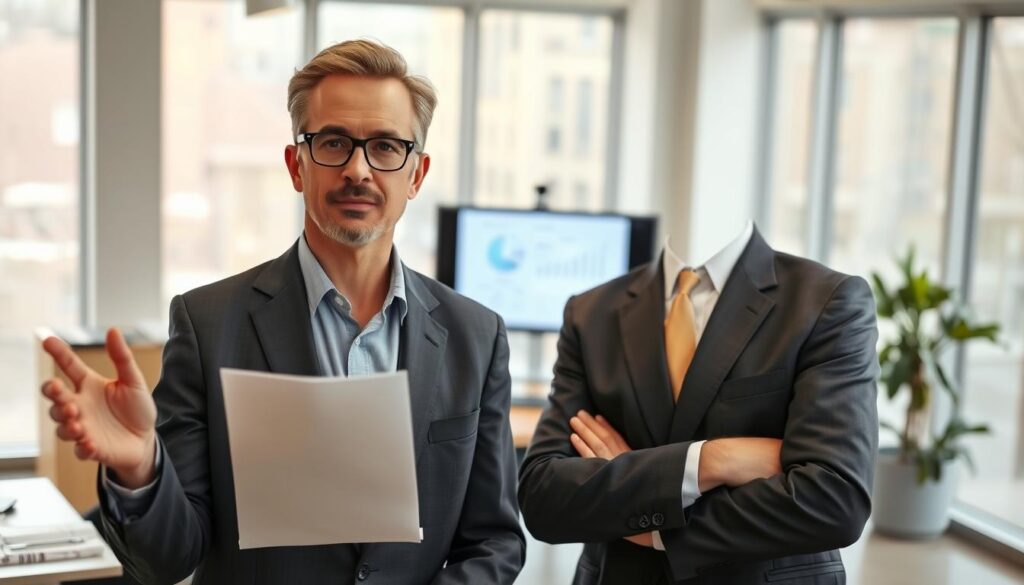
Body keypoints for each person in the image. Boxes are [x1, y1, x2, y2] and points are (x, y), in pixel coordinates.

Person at [40, 39, 525, 585]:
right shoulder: (209, 324)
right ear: (297, 165)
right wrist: (139, 469)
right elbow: (170, 560)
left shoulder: (475, 335)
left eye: (386, 146)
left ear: (416, 173)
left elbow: (494, 541)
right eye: (334, 142)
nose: (359, 170)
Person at [518, 220, 879, 584]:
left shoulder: (825, 301)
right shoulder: (591, 313)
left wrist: (652, 523)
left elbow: (835, 500)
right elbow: (542, 497)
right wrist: (713, 459)